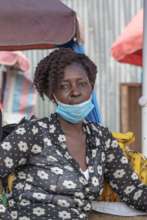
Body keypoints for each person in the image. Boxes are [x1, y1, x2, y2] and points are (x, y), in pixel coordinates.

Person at [0, 48, 147, 220]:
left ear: (91, 87)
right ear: (52, 94)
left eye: (82, 83)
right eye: (64, 86)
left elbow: (132, 190)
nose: (75, 91)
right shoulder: (33, 133)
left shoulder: (102, 140)